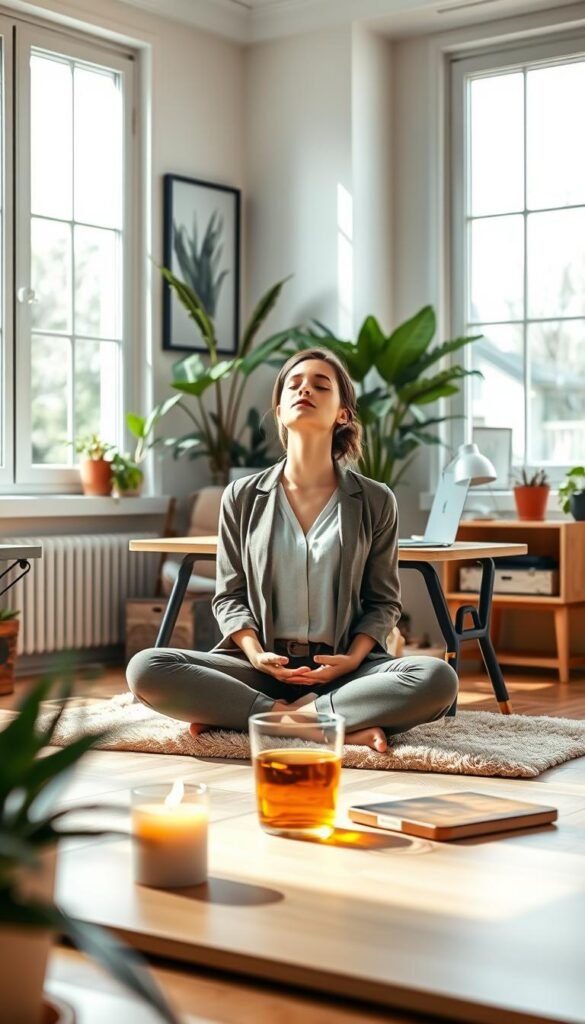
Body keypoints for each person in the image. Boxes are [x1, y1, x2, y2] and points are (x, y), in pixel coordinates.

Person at [127, 348, 458, 752]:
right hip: (260, 667)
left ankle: (266, 720)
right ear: (280, 410)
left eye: (321, 385)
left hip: (344, 670)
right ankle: (322, 724)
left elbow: (383, 603)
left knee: (438, 679)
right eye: (294, 385)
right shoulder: (241, 496)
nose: (305, 390)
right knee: (147, 668)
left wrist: (352, 660)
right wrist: (255, 652)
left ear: (342, 414)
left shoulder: (375, 500)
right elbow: (229, 596)